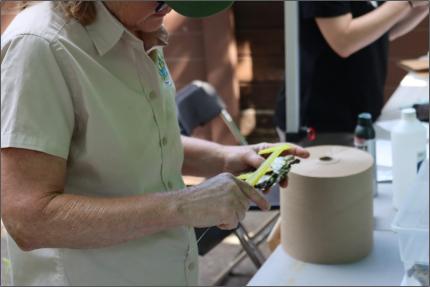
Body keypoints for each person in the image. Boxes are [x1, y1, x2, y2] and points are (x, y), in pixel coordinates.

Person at [0, 1, 309, 285]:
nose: (171, 9)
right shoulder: (40, 46)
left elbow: (136, 140)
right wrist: (185, 205)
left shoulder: (137, 25)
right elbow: (29, 219)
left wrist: (226, 156)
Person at [274, 0, 429, 136]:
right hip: (322, 121)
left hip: (359, 114)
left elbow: (383, 29)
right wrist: (406, 2)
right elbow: (343, 41)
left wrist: (422, 6)